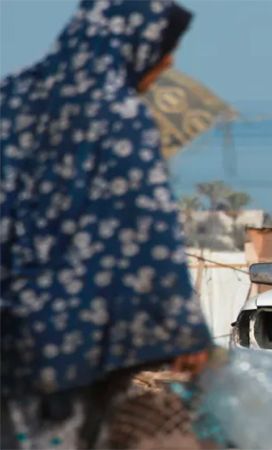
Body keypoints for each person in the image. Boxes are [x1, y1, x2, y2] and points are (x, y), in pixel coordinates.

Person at [0, 1, 211, 448]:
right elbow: (148, 227)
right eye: (164, 49)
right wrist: (184, 328)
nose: (168, 62)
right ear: (132, 45)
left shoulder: (9, 96)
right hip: (77, 338)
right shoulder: (118, 116)